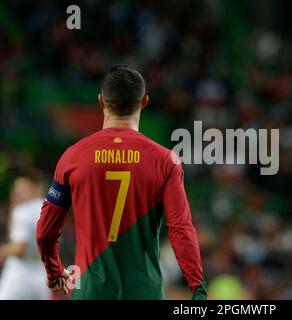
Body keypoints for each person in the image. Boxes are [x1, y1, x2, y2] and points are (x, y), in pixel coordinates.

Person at [36, 65, 207, 299]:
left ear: (101, 101)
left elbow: (46, 231)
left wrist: (54, 270)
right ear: (144, 101)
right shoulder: (165, 161)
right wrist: (197, 287)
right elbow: (181, 229)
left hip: (89, 291)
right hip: (144, 291)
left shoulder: (73, 157)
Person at [0, 171, 50, 299]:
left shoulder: (22, 211)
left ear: (34, 188)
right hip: (42, 275)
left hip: (19, 276)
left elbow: (19, 248)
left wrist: (2, 251)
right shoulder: (49, 210)